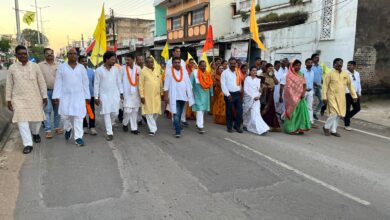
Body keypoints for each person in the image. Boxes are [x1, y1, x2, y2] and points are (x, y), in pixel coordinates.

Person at [6, 45, 48, 154]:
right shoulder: (12, 68)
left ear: (27, 54)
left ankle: (35, 133)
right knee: (22, 121)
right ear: (16, 55)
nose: (23, 56)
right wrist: (8, 99)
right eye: (20, 54)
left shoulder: (35, 66)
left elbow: (41, 82)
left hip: (35, 97)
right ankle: (28, 144)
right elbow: (9, 85)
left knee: (37, 119)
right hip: (18, 99)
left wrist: (44, 96)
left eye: (25, 53)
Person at [53, 48, 90, 146]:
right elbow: (58, 82)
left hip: (79, 96)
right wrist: (56, 96)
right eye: (70, 54)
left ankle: (78, 138)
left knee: (79, 117)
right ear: (67, 55)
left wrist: (87, 96)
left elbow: (85, 83)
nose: (73, 55)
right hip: (65, 96)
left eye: (75, 54)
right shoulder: (61, 67)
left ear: (77, 56)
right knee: (64, 116)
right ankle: (68, 128)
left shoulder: (81, 67)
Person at [322, 58, 357, 137]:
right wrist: (324, 97)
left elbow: (350, 85)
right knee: (334, 113)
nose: (339, 64)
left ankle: (333, 130)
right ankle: (326, 127)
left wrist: (354, 95)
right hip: (331, 96)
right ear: (334, 64)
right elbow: (324, 86)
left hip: (341, 97)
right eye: (337, 63)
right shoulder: (329, 74)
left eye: (341, 63)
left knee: (339, 114)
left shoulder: (345, 74)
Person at [94, 51, 123, 141]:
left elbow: (119, 82)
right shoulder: (99, 70)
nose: (114, 61)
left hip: (115, 94)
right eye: (112, 59)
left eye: (115, 59)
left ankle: (111, 123)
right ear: (106, 59)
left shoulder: (115, 70)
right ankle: (109, 132)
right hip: (104, 95)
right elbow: (96, 84)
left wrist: (121, 93)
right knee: (106, 113)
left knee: (115, 113)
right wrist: (96, 97)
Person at [163, 57, 194, 138]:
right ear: (172, 64)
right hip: (174, 96)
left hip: (183, 96)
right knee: (176, 114)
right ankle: (177, 131)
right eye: (175, 62)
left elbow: (188, 84)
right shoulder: (169, 72)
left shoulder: (184, 72)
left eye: (178, 62)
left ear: (180, 63)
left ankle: (177, 125)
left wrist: (190, 94)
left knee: (179, 113)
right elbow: (166, 86)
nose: (177, 64)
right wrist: (166, 96)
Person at [283, 60, 311, 134]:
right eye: (296, 65)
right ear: (292, 66)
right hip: (291, 97)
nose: (298, 67)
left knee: (301, 113)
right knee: (293, 113)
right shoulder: (289, 75)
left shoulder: (301, 74)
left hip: (300, 97)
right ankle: (290, 129)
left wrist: (303, 93)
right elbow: (288, 87)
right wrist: (292, 96)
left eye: (299, 65)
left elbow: (304, 85)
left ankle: (299, 128)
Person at [39, 47, 61, 139]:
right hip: (45, 92)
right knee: (47, 111)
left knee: (57, 111)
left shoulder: (59, 65)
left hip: (57, 92)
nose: (49, 55)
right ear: (44, 55)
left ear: (53, 54)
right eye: (47, 53)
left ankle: (57, 127)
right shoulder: (39, 66)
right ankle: (48, 130)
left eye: (51, 53)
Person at [139, 57, 163, 136]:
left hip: (156, 96)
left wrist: (162, 92)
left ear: (153, 63)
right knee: (149, 113)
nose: (150, 64)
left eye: (151, 62)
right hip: (147, 96)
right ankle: (153, 129)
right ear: (145, 63)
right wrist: (142, 96)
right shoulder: (143, 71)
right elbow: (140, 85)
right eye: (148, 62)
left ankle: (151, 123)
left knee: (156, 112)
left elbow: (160, 82)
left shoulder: (156, 70)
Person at [243, 66, 269, 135]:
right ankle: (246, 125)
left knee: (256, 114)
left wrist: (259, 95)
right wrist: (252, 97)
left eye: (255, 70)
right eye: (253, 70)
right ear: (250, 71)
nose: (254, 72)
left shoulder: (258, 80)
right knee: (247, 113)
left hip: (256, 100)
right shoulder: (247, 79)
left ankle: (262, 129)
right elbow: (245, 89)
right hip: (248, 98)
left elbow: (259, 90)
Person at [165, 46, 188, 127]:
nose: (178, 53)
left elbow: (185, 76)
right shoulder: (169, 62)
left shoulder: (183, 62)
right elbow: (167, 76)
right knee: (174, 107)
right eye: (177, 51)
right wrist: (166, 93)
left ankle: (182, 120)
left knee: (182, 107)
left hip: (182, 88)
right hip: (173, 88)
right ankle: (175, 123)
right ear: (173, 52)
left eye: (179, 51)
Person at [190, 60, 213, 134]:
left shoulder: (208, 74)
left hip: (206, 95)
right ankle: (200, 126)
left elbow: (211, 85)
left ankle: (198, 123)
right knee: (199, 109)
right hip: (197, 95)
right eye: (202, 65)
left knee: (202, 110)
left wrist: (211, 94)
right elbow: (190, 84)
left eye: (204, 65)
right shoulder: (194, 73)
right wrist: (190, 94)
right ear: (199, 66)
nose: (203, 67)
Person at [121, 53, 142, 134]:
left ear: (133, 60)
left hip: (136, 93)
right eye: (126, 59)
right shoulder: (122, 69)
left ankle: (134, 128)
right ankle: (125, 123)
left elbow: (141, 81)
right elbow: (119, 81)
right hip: (126, 93)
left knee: (135, 111)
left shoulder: (138, 68)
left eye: (128, 60)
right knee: (127, 111)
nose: (127, 61)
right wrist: (121, 93)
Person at [221, 58, 243, 133]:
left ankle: (237, 126)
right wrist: (227, 94)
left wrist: (240, 89)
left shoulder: (238, 71)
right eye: (231, 63)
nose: (233, 65)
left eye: (234, 63)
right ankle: (229, 127)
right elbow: (223, 84)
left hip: (237, 94)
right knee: (229, 111)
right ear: (229, 64)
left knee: (239, 111)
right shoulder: (224, 73)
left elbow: (239, 81)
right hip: (229, 95)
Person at [79, 55, 97, 136]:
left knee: (91, 111)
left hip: (90, 95)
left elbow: (94, 83)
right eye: (82, 61)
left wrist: (96, 95)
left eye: (85, 61)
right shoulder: (77, 71)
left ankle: (92, 127)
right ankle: (84, 126)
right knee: (82, 112)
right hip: (80, 96)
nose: (84, 62)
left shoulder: (91, 71)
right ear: (79, 62)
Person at [260, 63, 281, 131]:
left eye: (272, 68)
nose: (271, 70)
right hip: (264, 95)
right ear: (266, 69)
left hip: (270, 95)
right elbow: (259, 85)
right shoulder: (261, 75)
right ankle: (262, 125)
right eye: (269, 68)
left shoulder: (272, 76)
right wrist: (265, 87)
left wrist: (273, 76)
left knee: (271, 110)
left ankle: (272, 125)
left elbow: (277, 82)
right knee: (264, 108)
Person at [344, 61, 362, 131]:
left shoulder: (357, 73)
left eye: (350, 65)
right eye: (348, 65)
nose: (348, 66)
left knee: (357, 108)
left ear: (354, 66)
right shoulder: (345, 73)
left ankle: (346, 118)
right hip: (347, 93)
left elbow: (358, 83)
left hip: (355, 94)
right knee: (347, 110)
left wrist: (359, 93)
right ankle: (347, 124)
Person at [301, 58, 318, 128]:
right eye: (308, 62)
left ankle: (311, 121)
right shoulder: (302, 71)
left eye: (311, 63)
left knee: (310, 107)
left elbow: (311, 82)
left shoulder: (312, 72)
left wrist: (314, 85)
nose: (310, 64)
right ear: (305, 63)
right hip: (303, 91)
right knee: (300, 106)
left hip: (310, 91)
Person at [311, 53, 324, 120]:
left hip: (318, 86)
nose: (318, 58)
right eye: (316, 57)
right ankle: (310, 116)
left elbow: (321, 76)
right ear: (312, 59)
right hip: (312, 87)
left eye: (318, 57)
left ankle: (314, 113)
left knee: (322, 101)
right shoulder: (311, 66)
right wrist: (313, 83)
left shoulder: (319, 67)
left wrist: (322, 81)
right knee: (311, 102)